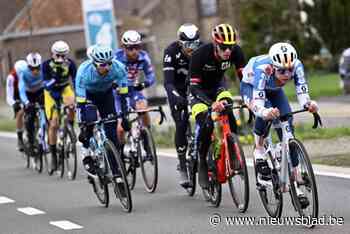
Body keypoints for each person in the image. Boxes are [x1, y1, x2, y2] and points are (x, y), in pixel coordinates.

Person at [240, 42, 319, 208]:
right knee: (266, 113)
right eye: (282, 71)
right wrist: (264, 112)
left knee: (287, 122)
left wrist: (308, 104)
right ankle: (259, 150)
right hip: (251, 87)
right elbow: (259, 101)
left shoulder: (296, 65)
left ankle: (295, 179)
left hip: (274, 90)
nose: (287, 74)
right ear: (273, 67)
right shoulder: (264, 69)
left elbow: (302, 91)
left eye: (289, 70)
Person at [188, 23, 246, 189]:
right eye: (223, 47)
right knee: (206, 124)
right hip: (198, 92)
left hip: (218, 87)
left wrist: (250, 98)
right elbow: (194, 87)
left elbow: (245, 78)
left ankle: (233, 150)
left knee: (228, 109)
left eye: (230, 46)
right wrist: (211, 104)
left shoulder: (236, 52)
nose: (228, 51)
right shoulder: (200, 55)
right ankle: (202, 164)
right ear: (215, 44)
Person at [75, 44, 129, 193]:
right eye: (103, 64)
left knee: (112, 137)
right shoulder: (83, 73)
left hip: (106, 96)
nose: (107, 67)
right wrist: (83, 126)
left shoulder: (118, 68)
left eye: (109, 63)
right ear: (94, 63)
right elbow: (80, 105)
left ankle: (117, 175)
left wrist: (125, 117)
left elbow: (124, 95)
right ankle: (86, 154)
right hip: (88, 97)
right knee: (90, 123)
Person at [163, 23, 202, 187]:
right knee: (181, 122)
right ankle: (183, 165)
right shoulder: (170, 52)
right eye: (187, 45)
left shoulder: (204, 48)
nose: (191, 48)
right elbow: (168, 83)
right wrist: (178, 98)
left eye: (195, 44)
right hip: (177, 89)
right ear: (180, 43)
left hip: (197, 86)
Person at [114, 30, 156, 156]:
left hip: (133, 91)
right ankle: (120, 152)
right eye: (130, 48)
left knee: (143, 109)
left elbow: (151, 75)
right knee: (121, 128)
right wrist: (113, 84)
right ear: (124, 48)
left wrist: (144, 84)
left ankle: (146, 139)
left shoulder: (144, 56)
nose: (134, 51)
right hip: (117, 94)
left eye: (137, 47)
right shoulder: (116, 58)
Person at [42, 40, 77, 171]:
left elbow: (75, 79)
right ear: (53, 53)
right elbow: (45, 83)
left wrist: (78, 94)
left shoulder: (70, 63)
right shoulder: (46, 65)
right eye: (58, 55)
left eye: (64, 55)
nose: (61, 58)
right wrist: (55, 79)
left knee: (72, 104)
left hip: (64, 88)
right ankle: (53, 157)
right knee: (54, 124)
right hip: (50, 92)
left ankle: (70, 127)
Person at [18, 53, 45, 156]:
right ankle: (31, 141)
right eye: (32, 68)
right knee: (30, 117)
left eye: (37, 68)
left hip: (40, 91)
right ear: (28, 66)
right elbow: (21, 90)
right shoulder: (24, 72)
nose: (35, 71)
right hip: (29, 94)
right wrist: (26, 102)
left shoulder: (44, 69)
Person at [6, 60, 27, 151]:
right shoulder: (11, 77)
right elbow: (9, 95)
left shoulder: (29, 74)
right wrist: (14, 103)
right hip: (16, 96)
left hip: (27, 94)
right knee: (20, 113)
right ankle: (20, 139)